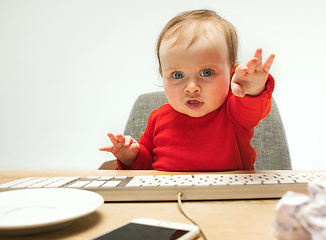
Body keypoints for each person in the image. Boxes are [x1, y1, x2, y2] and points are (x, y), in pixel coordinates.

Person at [99, 9, 275, 171]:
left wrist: (252, 88)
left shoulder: (234, 112)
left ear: (231, 73)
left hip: (227, 199)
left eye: (206, 73)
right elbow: (146, 166)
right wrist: (130, 156)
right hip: (168, 198)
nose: (191, 88)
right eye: (177, 75)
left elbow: (253, 106)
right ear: (163, 75)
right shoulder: (158, 118)